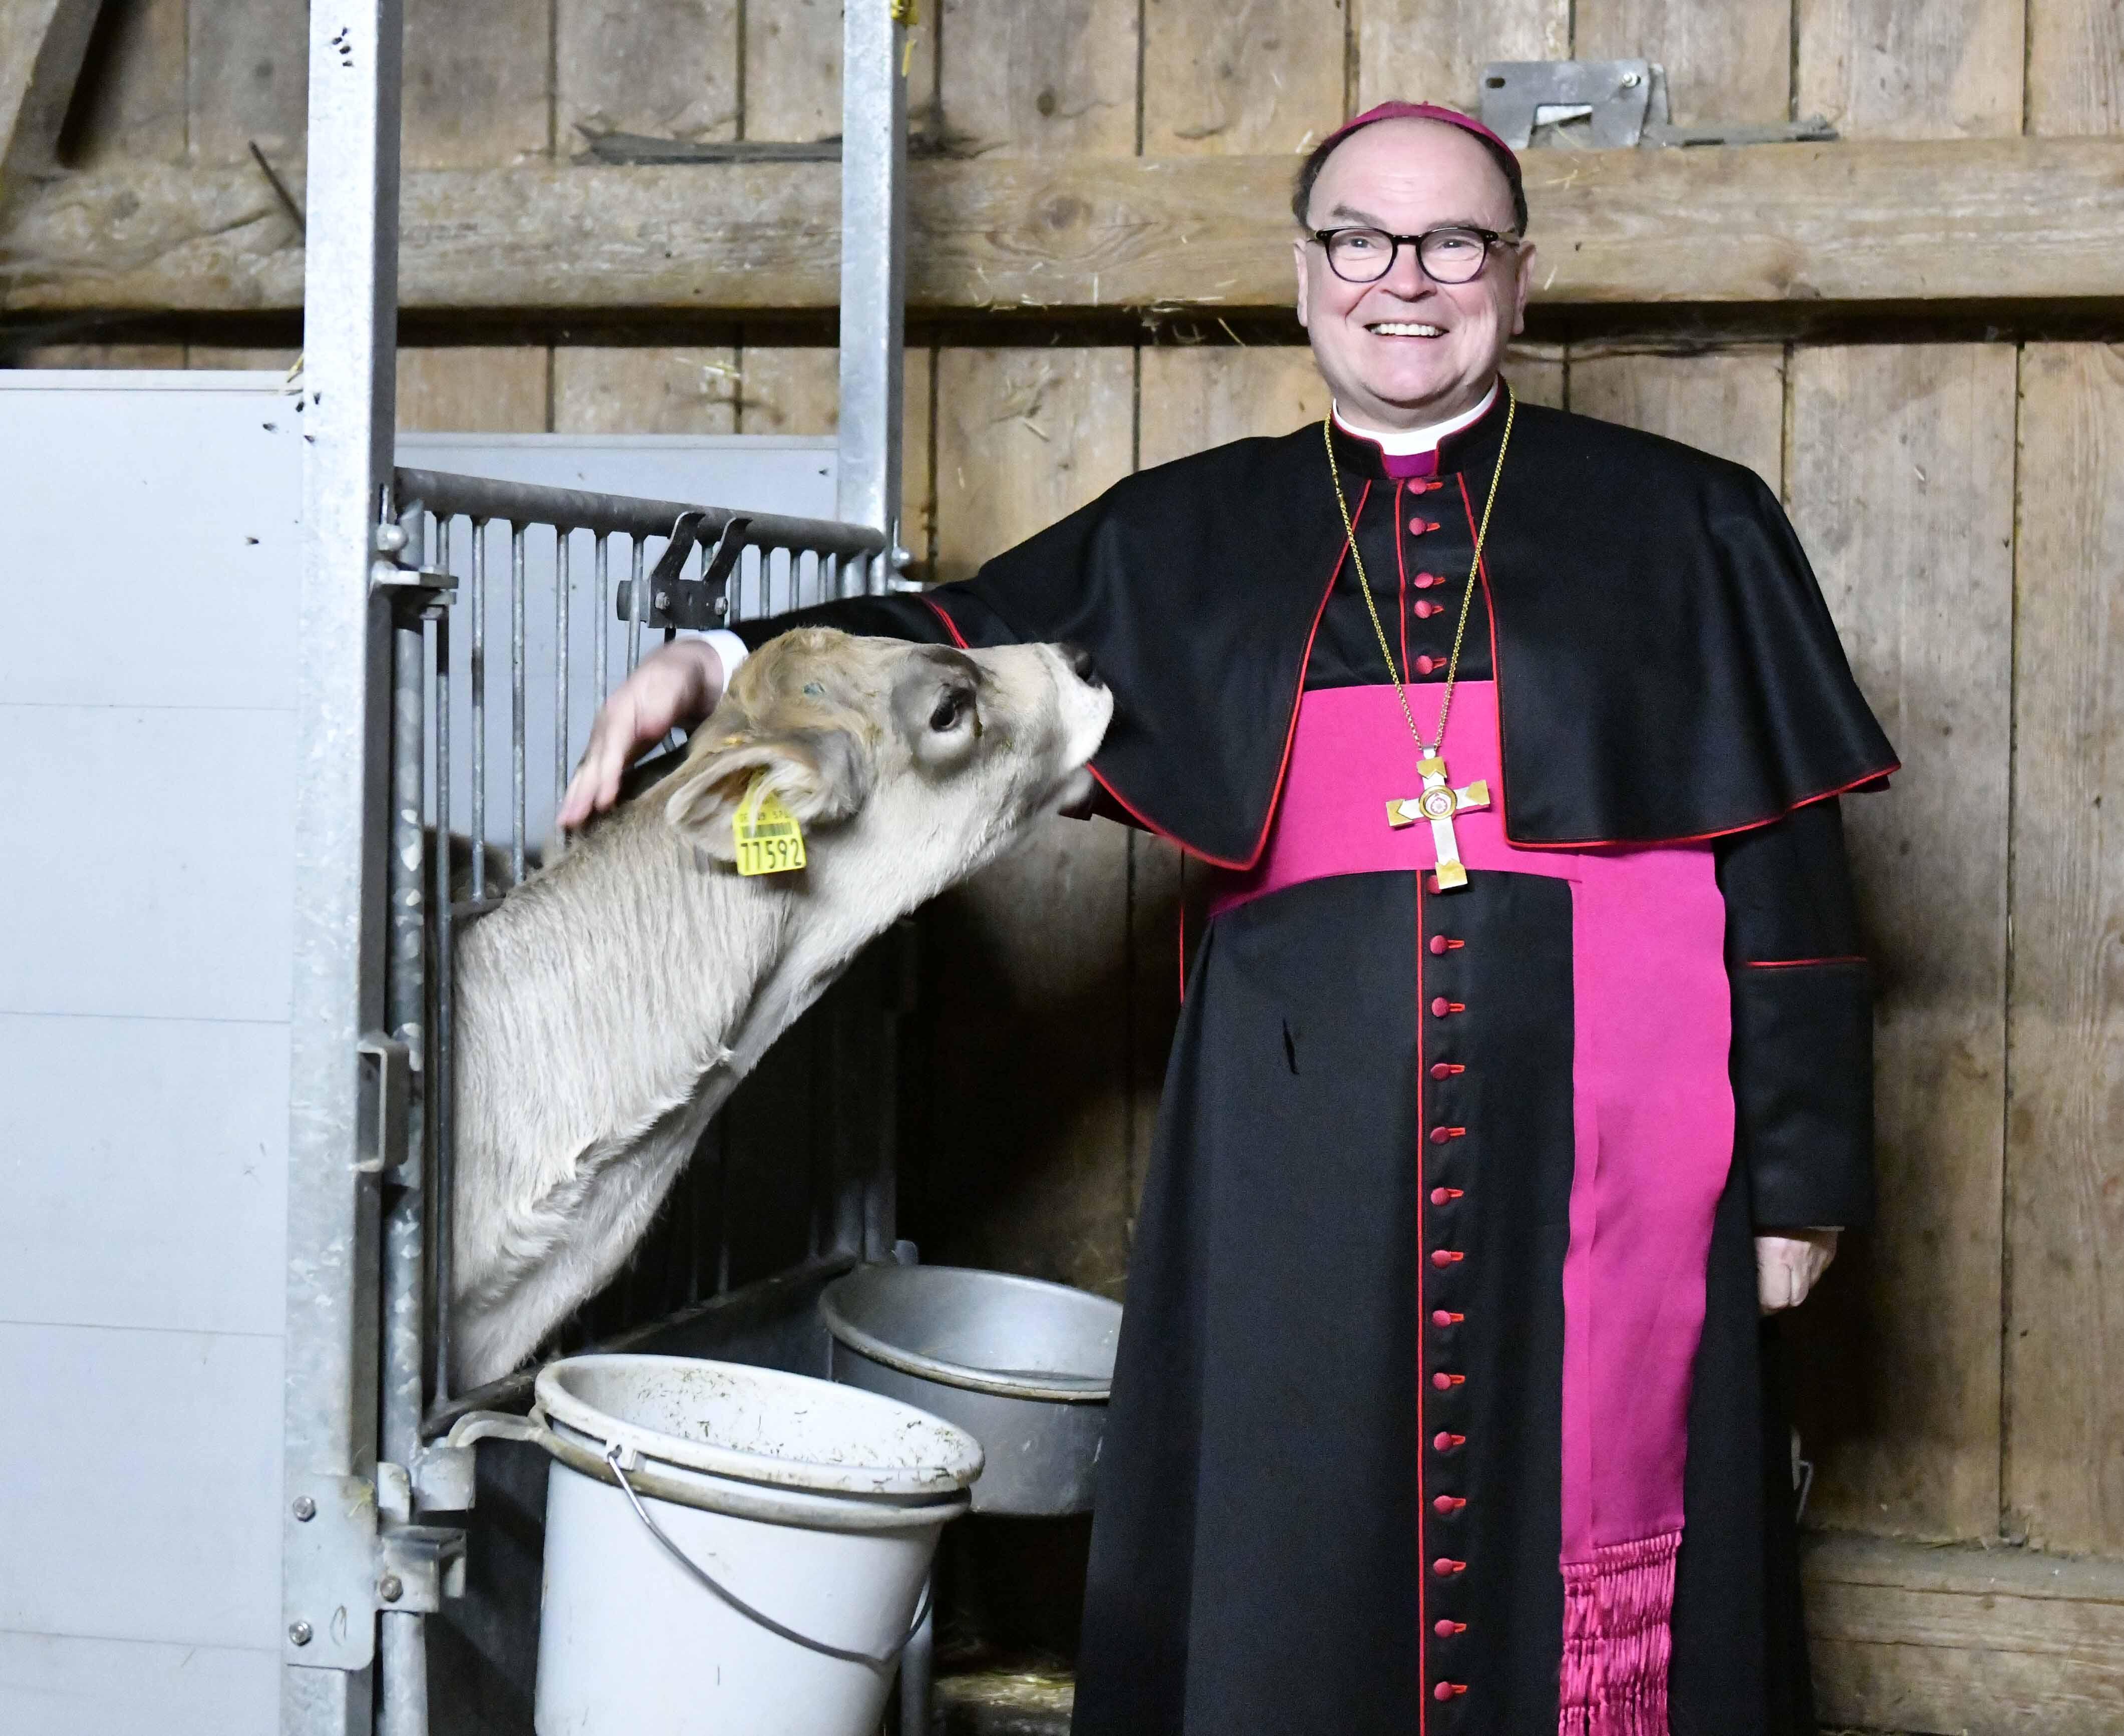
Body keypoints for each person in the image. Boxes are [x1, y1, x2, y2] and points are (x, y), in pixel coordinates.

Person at [561, 101, 1893, 1736]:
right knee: (1297, 1542)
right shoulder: (1186, 533)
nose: (1406, 280)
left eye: (1454, 242)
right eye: (1360, 240)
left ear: (1520, 281)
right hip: (1290, 1157)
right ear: (1304, 272)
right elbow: (955, 646)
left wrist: (1801, 1184)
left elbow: (1792, 883)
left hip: (1616, 1145)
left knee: (1610, 1539)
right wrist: (719, 664)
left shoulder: (1692, 522)